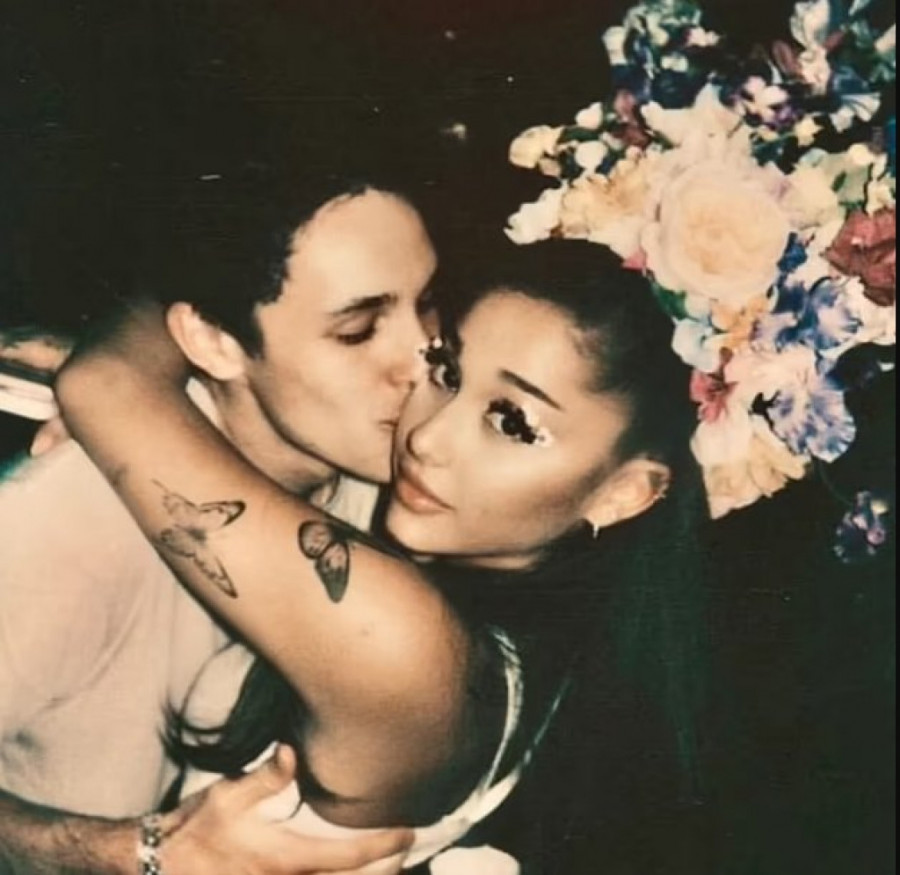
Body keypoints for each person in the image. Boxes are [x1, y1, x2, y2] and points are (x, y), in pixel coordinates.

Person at [57, 239, 710, 872]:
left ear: (624, 493)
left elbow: (104, 384)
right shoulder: (529, 643)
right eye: (447, 372)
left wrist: (187, 317)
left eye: (511, 421)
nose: (427, 436)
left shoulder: (405, 639)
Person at [0, 171, 437, 874]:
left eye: (430, 304)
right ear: (212, 342)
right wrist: (130, 852)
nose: (422, 364)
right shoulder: (69, 519)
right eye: (357, 331)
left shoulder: (394, 468)